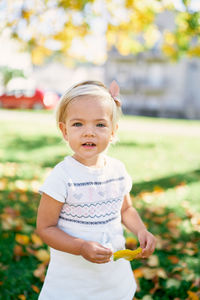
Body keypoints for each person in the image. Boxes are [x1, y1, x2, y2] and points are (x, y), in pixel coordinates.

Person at [36, 80, 156, 300]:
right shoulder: (62, 177)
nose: (89, 132)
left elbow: (125, 210)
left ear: (112, 131)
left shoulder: (118, 170)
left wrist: (140, 231)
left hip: (112, 276)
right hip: (72, 281)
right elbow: (45, 228)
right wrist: (81, 247)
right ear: (64, 130)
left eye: (100, 125)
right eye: (78, 124)